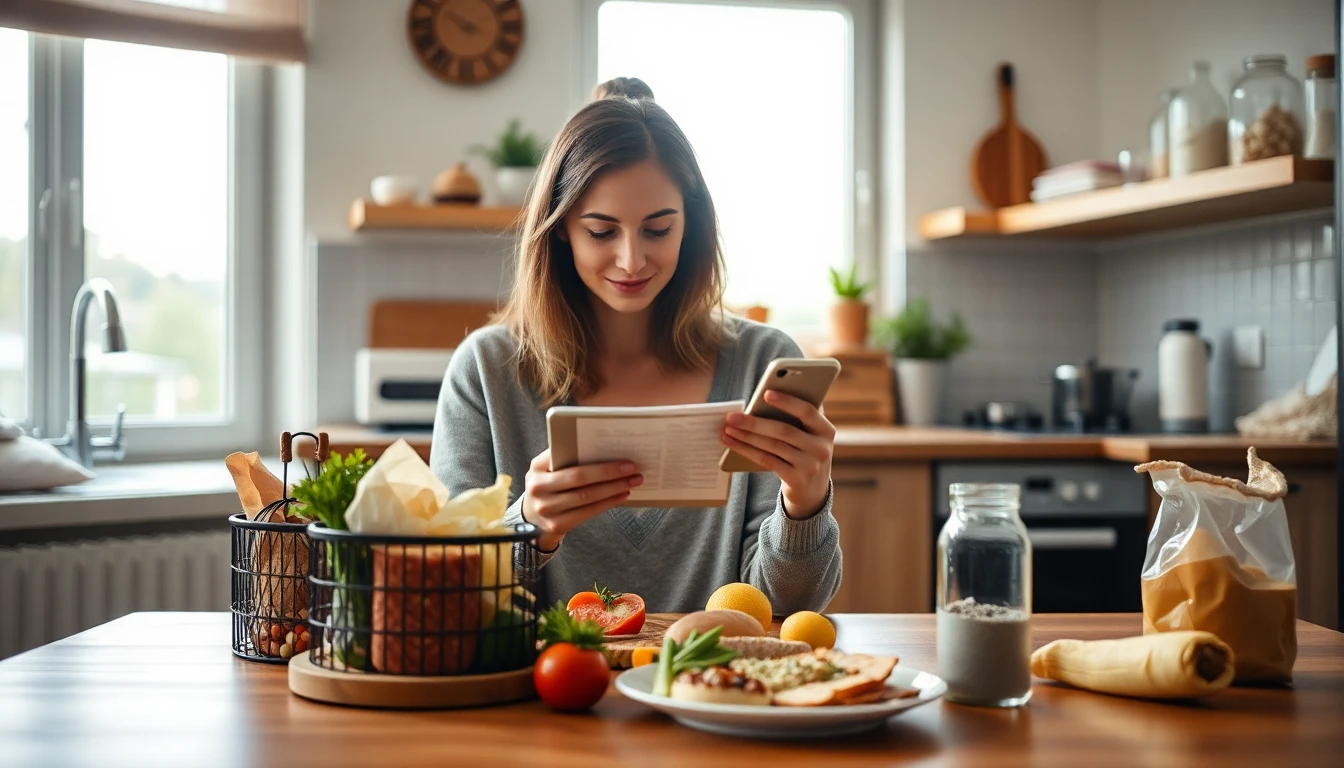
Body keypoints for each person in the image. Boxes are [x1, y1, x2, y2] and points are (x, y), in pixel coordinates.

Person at [430, 77, 841, 614]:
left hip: (713, 691)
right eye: (602, 232)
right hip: (542, 694)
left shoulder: (761, 363)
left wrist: (804, 506)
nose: (631, 260)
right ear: (560, 229)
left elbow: (784, 610)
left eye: (658, 230)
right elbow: (443, 595)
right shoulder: (485, 371)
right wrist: (529, 527)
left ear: (689, 226)